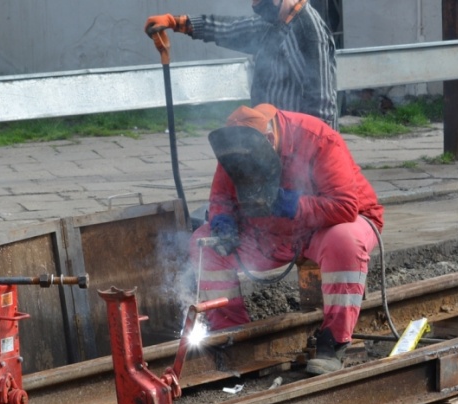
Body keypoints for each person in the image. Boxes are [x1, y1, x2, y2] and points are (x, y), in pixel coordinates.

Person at [189, 103, 383, 375]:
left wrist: (292, 204)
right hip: (273, 232)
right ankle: (235, 339)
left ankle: (334, 344)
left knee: (344, 240)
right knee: (205, 241)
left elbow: (345, 206)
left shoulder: (317, 138)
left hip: (327, 226)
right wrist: (222, 221)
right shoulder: (236, 148)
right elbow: (221, 196)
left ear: (270, 140)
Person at [145, 0, 338, 129]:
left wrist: (311, 159)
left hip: (303, 148)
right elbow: (229, 29)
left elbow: (321, 107)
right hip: (274, 136)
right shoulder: (273, 23)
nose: (257, 5)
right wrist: (177, 23)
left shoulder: (309, 32)